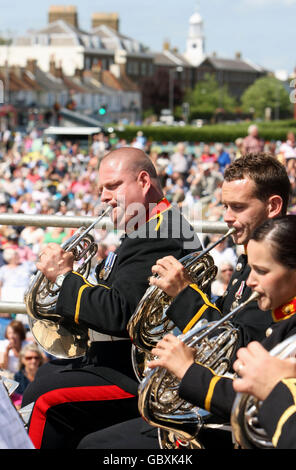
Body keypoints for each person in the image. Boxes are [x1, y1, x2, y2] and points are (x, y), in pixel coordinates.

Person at [76, 154, 291, 449]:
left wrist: (184, 297)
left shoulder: (281, 267)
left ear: (273, 206)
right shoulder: (248, 259)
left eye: (238, 207)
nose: (227, 217)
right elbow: (230, 320)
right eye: (225, 206)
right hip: (211, 400)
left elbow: (237, 345)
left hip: (230, 418)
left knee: (93, 444)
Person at [21, 147, 202, 449]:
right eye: (102, 188)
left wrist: (65, 277)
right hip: (119, 362)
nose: (104, 196)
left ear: (144, 182)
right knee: (47, 372)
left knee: (45, 398)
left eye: (113, 186)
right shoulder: (150, 228)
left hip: (138, 374)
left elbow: (121, 314)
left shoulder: (160, 233)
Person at [12, 343, 45, 409]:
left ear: (40, 359)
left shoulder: (45, 375)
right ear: (22, 360)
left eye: (36, 357)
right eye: (29, 358)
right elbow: (18, 400)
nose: (33, 361)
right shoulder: (18, 377)